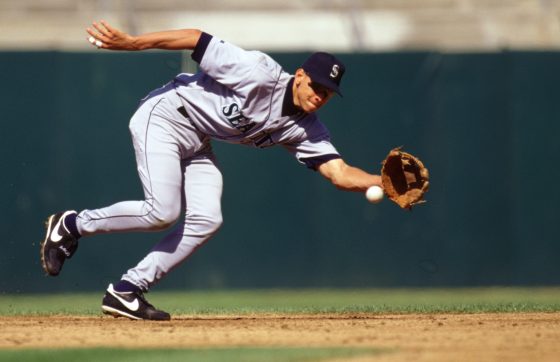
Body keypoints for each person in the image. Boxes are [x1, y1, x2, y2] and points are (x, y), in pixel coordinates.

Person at [40, 20, 383, 321]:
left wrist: (383, 182)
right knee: (162, 212)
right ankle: (71, 224)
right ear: (301, 76)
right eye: (317, 87)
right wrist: (133, 43)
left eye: (328, 93)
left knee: (207, 219)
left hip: (198, 140)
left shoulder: (306, 127)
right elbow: (195, 38)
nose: (320, 96)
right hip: (165, 116)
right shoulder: (259, 72)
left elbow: (339, 173)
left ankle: (127, 289)